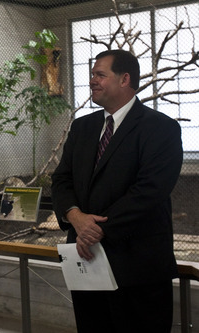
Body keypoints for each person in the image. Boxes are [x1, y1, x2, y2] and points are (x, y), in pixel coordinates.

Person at [51, 49, 183, 332]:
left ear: (125, 79)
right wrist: (75, 217)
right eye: (92, 75)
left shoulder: (161, 128)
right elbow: (61, 180)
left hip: (138, 268)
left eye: (100, 74)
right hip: (85, 263)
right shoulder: (82, 127)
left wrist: (97, 229)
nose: (92, 80)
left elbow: (150, 191)